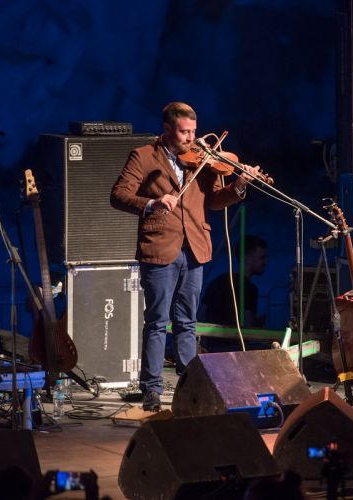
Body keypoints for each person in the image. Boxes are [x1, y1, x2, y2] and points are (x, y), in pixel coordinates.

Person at [110, 101, 259, 411]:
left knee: (187, 322)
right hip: (160, 246)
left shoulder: (203, 160)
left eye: (193, 131)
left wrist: (239, 185)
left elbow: (216, 201)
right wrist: (151, 203)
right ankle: (151, 387)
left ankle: (190, 384)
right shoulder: (143, 156)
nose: (192, 138)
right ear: (167, 129)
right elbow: (119, 195)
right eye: (184, 132)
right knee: (156, 320)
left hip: (195, 246)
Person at [201, 234, 268, 328]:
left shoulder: (216, 282)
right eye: (262, 257)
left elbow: (202, 315)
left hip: (211, 342)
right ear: (247, 258)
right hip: (234, 342)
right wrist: (259, 323)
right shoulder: (248, 289)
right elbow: (248, 328)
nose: (265, 262)